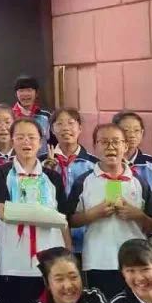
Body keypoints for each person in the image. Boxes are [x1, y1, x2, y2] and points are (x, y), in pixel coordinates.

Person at [0, 118, 70, 303]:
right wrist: (46, 215)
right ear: (12, 141)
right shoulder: (1, 172)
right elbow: (4, 212)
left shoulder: (52, 177)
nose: (26, 142)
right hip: (16, 259)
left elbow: (63, 220)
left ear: (40, 142)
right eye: (20, 137)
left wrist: (68, 255)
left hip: (50, 258)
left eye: (32, 137)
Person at [66, 123, 152, 299]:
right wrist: (91, 215)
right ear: (94, 147)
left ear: (125, 146)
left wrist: (138, 215)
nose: (110, 147)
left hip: (136, 261)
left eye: (116, 142)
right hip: (98, 260)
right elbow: (68, 220)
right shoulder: (84, 181)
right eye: (104, 142)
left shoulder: (138, 182)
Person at [42, 108, 98, 254]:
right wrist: (47, 171)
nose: (65, 128)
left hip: (87, 236)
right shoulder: (40, 163)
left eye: (71, 123)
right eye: (59, 124)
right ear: (52, 130)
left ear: (80, 128)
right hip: (51, 236)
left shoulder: (95, 164)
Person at [113, 111, 152, 190]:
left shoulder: (151, 164)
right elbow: (111, 194)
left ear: (142, 133)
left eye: (136, 130)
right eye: (126, 130)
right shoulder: (109, 163)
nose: (132, 135)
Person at [11, 75, 52, 155]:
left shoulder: (46, 116)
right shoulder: (9, 116)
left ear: (36, 93)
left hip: (42, 160)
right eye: (21, 91)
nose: (25, 94)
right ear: (16, 94)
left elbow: (52, 142)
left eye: (29, 90)